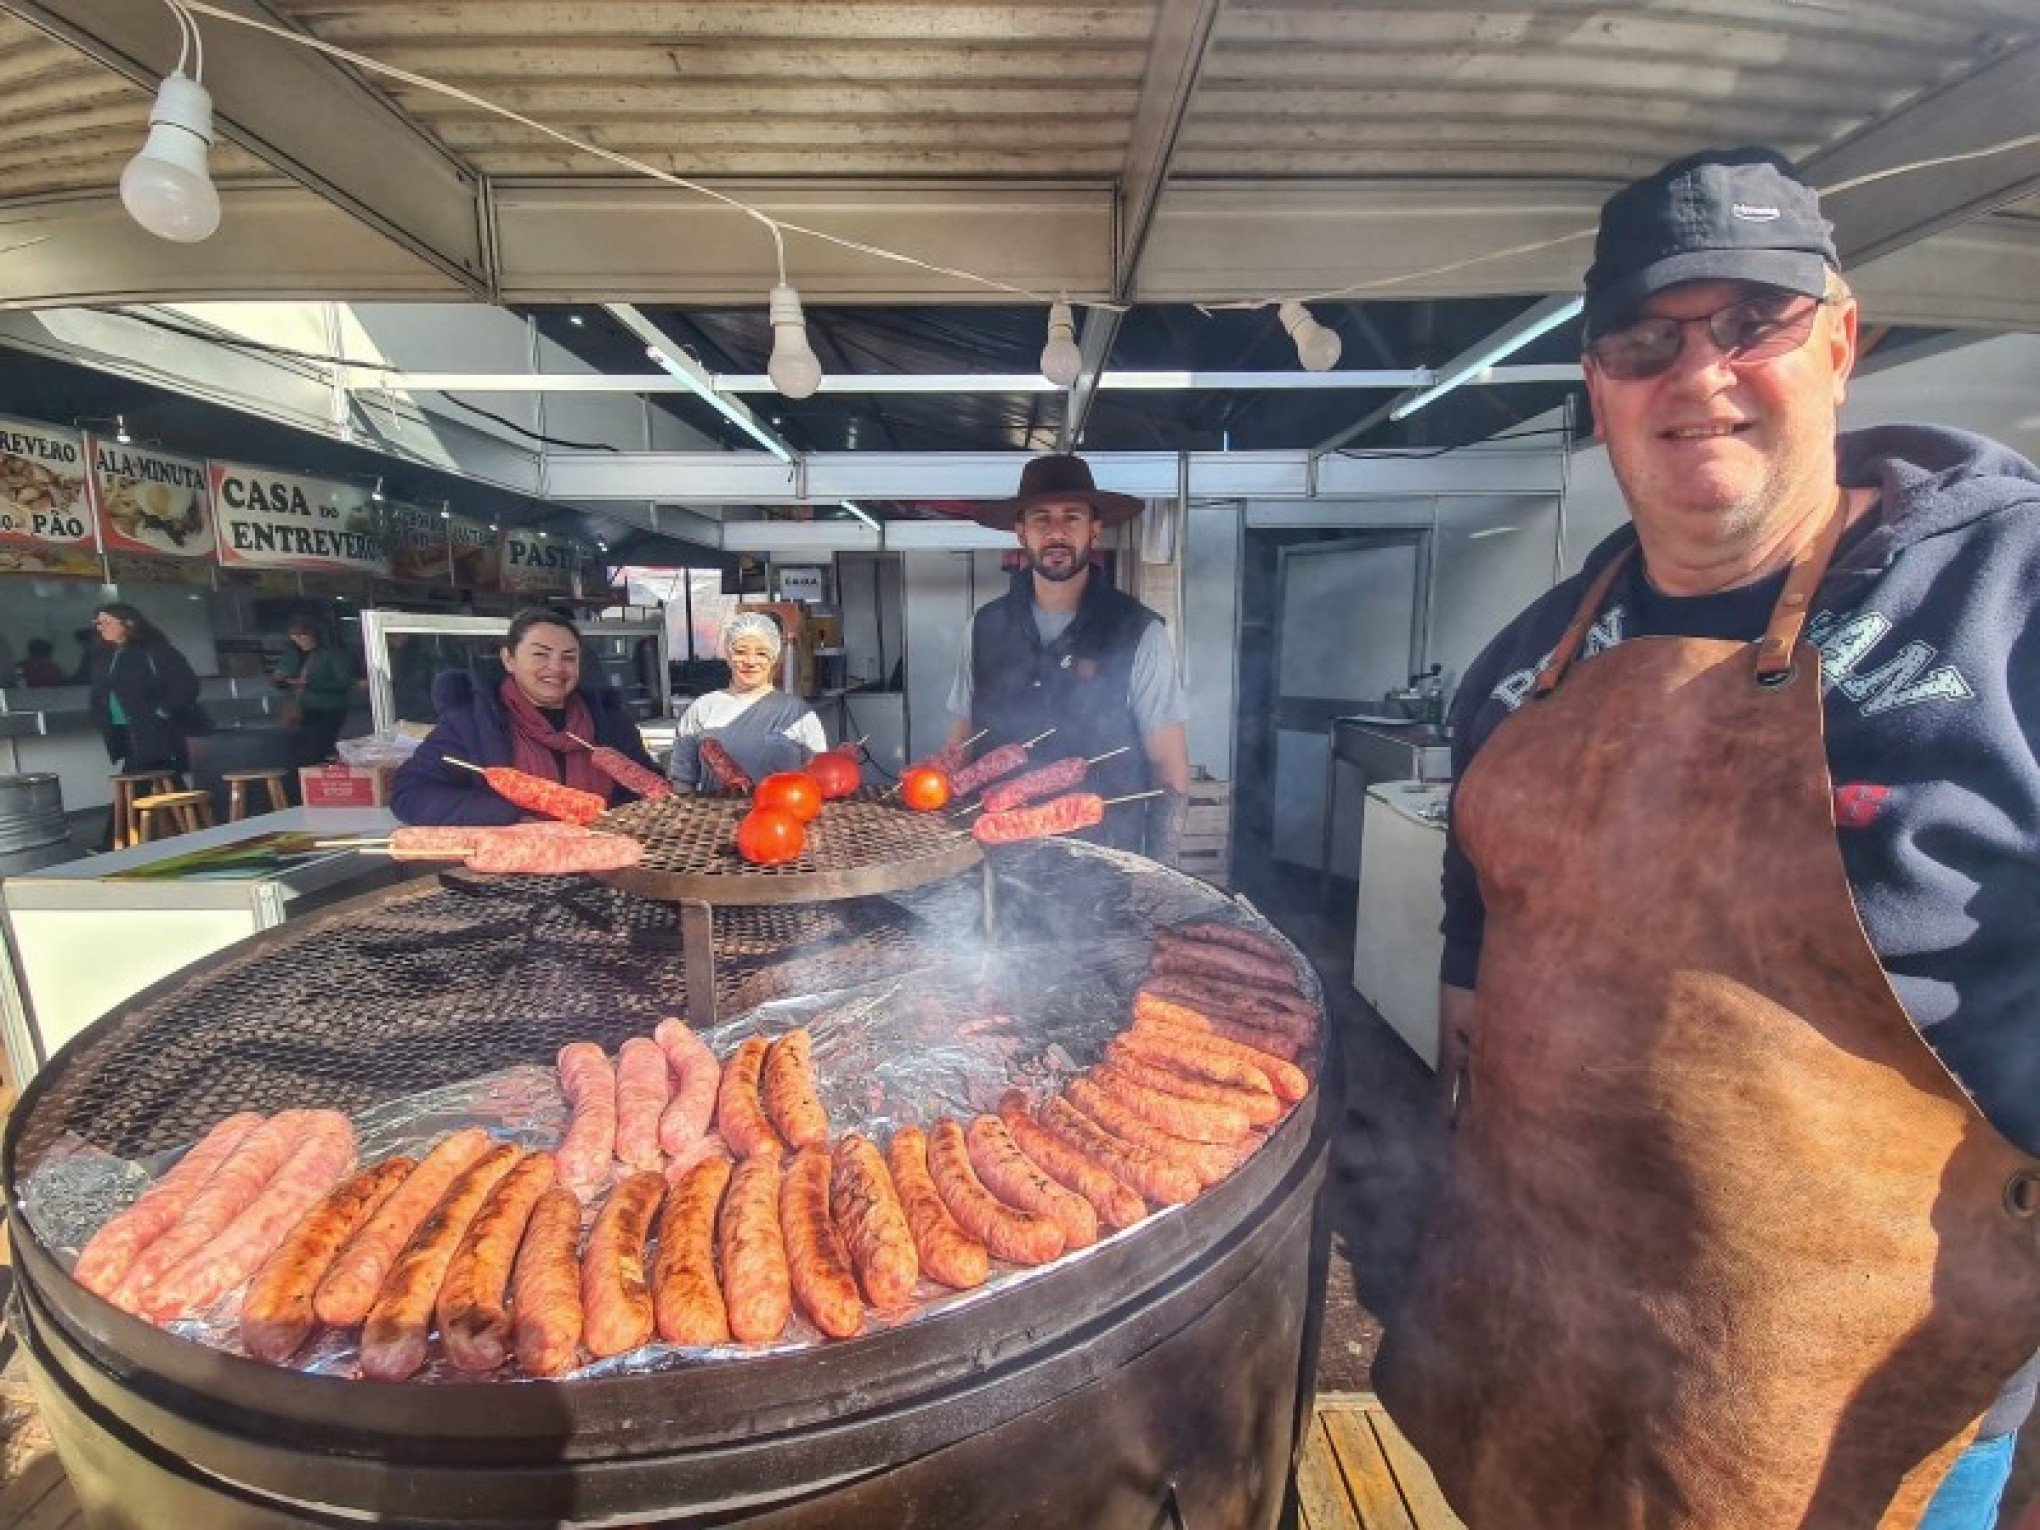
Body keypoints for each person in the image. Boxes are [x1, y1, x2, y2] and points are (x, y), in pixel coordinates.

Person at [1375, 147, 2040, 1529]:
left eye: (1754, 322)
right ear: (1598, 388)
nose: (1700, 374)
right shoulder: (1531, 656)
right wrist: (1465, 993)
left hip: (1870, 1429)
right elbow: (1475, 897)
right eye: (1644, 339)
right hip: (1549, 1376)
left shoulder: (2008, 605)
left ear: (1843, 341)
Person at [944, 453, 1190, 857]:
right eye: (1041, 518)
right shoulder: (982, 627)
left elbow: (1170, 770)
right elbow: (962, 744)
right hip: (997, 861)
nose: (1056, 531)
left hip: (1106, 861)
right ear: (1021, 532)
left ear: (1094, 531)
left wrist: (1162, 873)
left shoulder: (1140, 632)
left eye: (1071, 517)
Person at [391, 608, 659, 826]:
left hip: (605, 861)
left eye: (569, 657)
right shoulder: (471, 724)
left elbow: (643, 786)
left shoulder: (610, 722)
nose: (556, 667)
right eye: (540, 654)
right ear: (509, 659)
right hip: (510, 871)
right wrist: (509, 814)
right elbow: (409, 795)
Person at [667, 611, 825, 790]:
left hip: (784, 814)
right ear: (727, 655)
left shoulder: (798, 713)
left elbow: (820, 778)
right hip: (715, 815)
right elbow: (682, 780)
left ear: (774, 658)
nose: (750, 661)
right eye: (741, 652)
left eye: (761, 653)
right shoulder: (702, 709)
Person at [86, 602, 203, 777]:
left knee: (141, 778)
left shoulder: (155, 651)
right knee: (161, 778)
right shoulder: (104, 656)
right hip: (123, 729)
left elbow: (186, 685)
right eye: (98, 623)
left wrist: (162, 711)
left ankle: (129, 805)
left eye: (108, 622)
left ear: (129, 623)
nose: (101, 628)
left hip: (156, 730)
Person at [271, 617, 356, 761]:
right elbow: (279, 677)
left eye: (301, 635)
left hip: (327, 709)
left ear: (311, 635)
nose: (298, 640)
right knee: (301, 749)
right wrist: (282, 680)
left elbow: (344, 682)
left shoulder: (331, 655)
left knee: (321, 747)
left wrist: (310, 684)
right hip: (301, 709)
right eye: (295, 637)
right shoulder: (291, 655)